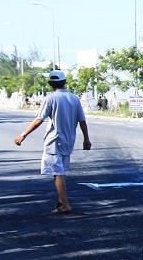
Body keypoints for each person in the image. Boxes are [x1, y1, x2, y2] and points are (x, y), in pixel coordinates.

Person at [14, 70, 92, 214]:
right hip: (69, 141)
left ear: (50, 84)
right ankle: (61, 201)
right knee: (60, 171)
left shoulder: (50, 98)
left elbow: (39, 119)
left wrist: (23, 134)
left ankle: (65, 204)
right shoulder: (74, 98)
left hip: (54, 141)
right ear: (65, 82)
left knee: (57, 172)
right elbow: (82, 121)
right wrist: (86, 139)